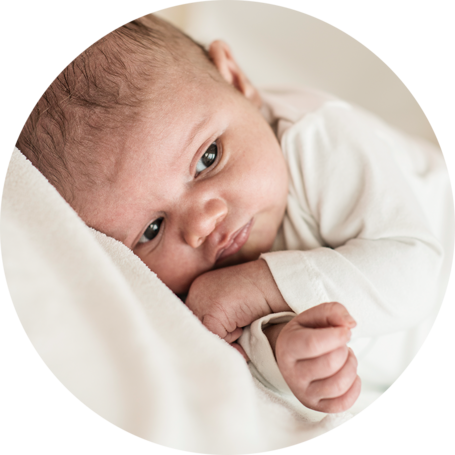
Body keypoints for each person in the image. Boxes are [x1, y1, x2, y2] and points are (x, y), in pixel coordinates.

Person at [14, 13, 454, 414]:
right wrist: (287, 351)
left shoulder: (316, 137)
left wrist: (258, 288)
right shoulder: (199, 289)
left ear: (237, 80)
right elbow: (256, 341)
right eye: (151, 229)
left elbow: (418, 274)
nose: (203, 224)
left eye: (208, 157)